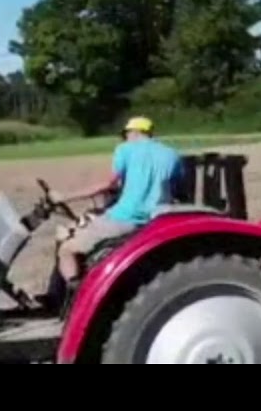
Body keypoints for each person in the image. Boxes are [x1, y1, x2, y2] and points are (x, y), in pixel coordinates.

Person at [51, 116, 183, 285]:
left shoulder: (125, 149)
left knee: (66, 248)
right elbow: (175, 186)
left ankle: (73, 290)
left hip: (125, 218)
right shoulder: (171, 154)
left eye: (126, 134)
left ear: (134, 132)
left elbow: (107, 184)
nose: (125, 138)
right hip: (155, 219)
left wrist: (63, 197)